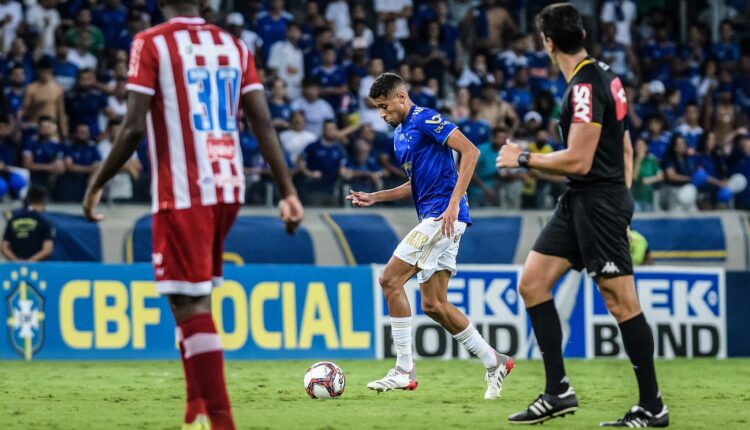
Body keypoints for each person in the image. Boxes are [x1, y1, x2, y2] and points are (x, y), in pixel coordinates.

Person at [81, 1, 304, 429]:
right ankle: (195, 411)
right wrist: (288, 191)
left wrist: (95, 185)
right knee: (185, 297)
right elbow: (263, 123)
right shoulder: (234, 46)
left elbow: (131, 127)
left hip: (184, 188)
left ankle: (220, 420)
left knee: (191, 302)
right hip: (228, 184)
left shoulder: (150, 43)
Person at [497, 4, 668, 427]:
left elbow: (577, 159)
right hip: (587, 200)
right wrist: (624, 199)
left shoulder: (584, 89)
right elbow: (626, 146)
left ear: (548, 42)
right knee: (533, 283)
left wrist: (522, 158)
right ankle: (558, 391)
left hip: (598, 202)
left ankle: (653, 406)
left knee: (621, 301)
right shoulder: (607, 77)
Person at [347, 73, 513, 399]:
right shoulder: (400, 137)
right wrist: (374, 196)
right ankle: (495, 360)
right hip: (438, 217)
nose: (382, 114)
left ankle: (404, 369)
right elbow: (415, 185)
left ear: (401, 97)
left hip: (443, 217)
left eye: (384, 106)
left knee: (390, 280)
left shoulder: (425, 119)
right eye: (377, 109)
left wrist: (452, 205)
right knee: (434, 304)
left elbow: (471, 152)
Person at [1, 186, 54, 262]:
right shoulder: (44, 222)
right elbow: (48, 249)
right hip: (38, 268)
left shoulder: (13, 220)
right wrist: (29, 262)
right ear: (44, 201)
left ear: (28, 200)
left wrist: (17, 261)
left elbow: (4, 247)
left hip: (15, 269)